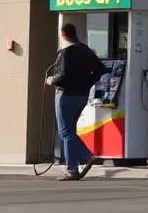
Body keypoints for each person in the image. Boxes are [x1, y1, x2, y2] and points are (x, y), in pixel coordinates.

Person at [46, 23, 107, 182]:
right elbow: (101, 69)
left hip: (66, 95)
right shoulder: (86, 50)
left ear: (63, 33)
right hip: (82, 95)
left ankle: (74, 167)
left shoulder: (65, 53)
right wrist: (88, 82)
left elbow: (63, 77)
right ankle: (86, 157)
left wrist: (51, 80)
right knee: (71, 131)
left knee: (66, 132)